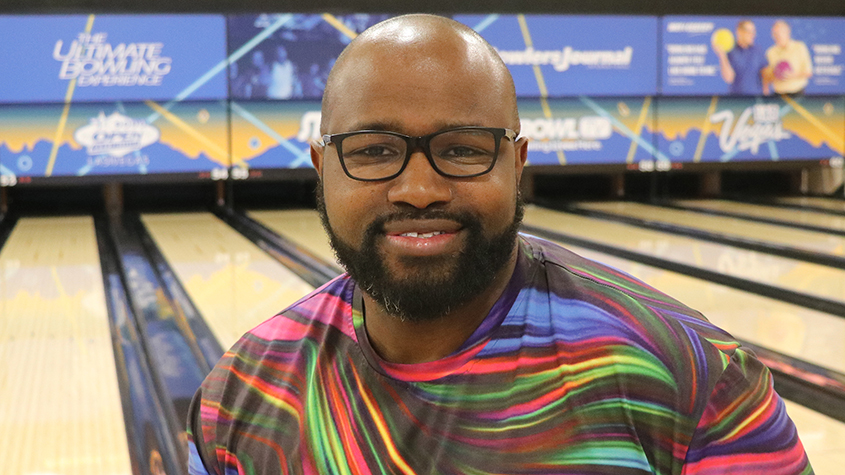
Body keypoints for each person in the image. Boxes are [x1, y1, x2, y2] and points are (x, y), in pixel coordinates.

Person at [187, 14, 813, 474]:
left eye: (462, 149)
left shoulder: (689, 378)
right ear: (322, 170)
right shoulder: (241, 399)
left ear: (517, 166)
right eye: (374, 151)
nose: (419, 189)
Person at [713, 20, 768, 95]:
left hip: (756, 100)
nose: (753, 35)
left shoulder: (758, 51)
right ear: (739, 32)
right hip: (737, 100)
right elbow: (729, 78)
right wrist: (722, 55)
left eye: (754, 32)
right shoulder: (730, 51)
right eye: (749, 32)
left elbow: (765, 77)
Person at [764, 20, 813, 96]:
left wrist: (792, 75)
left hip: (798, 93)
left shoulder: (799, 47)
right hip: (778, 94)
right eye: (775, 33)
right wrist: (774, 75)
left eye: (781, 32)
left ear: (788, 32)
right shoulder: (770, 52)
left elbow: (808, 72)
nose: (778, 36)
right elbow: (768, 76)